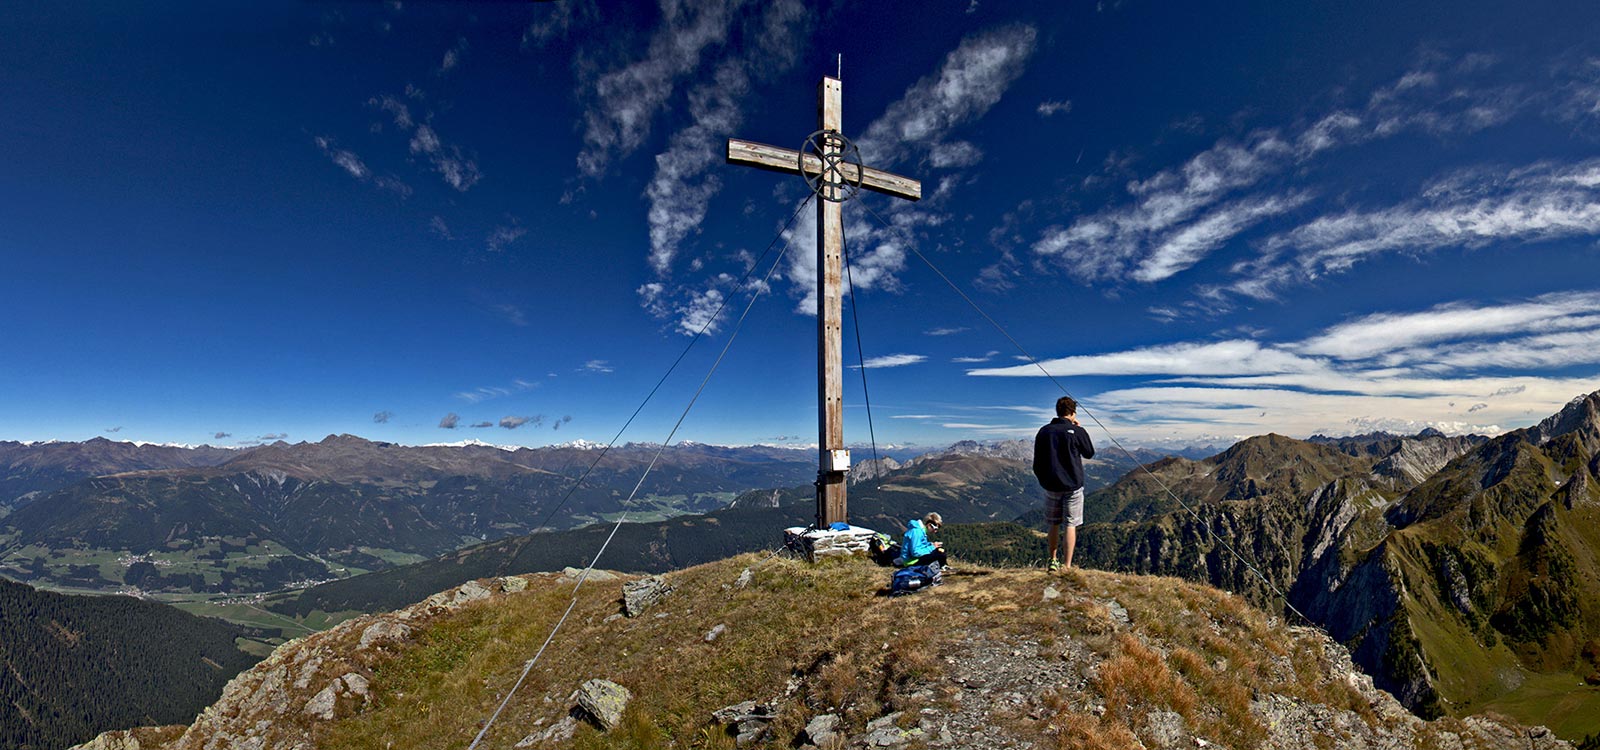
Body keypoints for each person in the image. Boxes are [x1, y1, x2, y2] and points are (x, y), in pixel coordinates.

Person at [1034, 396, 1095, 572]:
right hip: (1073, 486)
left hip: (1051, 485)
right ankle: (1067, 566)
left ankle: (1052, 560)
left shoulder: (1044, 431)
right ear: (1072, 412)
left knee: (1053, 523)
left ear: (1058, 411)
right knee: (1070, 524)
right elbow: (1089, 453)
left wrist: (1043, 481)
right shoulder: (1076, 431)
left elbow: (1037, 462)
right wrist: (1078, 428)